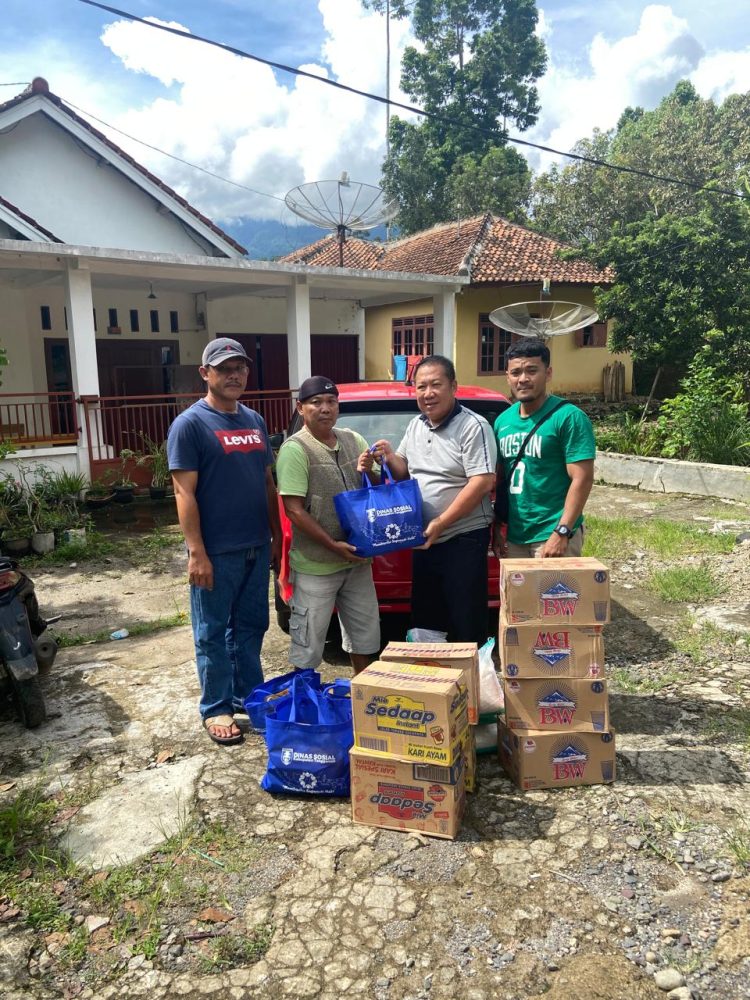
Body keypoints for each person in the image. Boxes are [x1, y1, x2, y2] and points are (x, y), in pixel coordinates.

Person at [167, 337, 281, 746]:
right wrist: (196, 552)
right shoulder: (191, 425)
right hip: (216, 551)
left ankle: (250, 698)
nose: (233, 375)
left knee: (252, 627)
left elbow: (268, 482)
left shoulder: (254, 420)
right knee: (212, 632)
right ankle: (216, 707)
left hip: (255, 544)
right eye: (224, 368)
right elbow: (184, 493)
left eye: (240, 368)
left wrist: (276, 536)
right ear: (206, 374)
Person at [370, 355, 497, 646]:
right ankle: (432, 682)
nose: (428, 393)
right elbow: (404, 471)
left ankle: (471, 680)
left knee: (466, 619)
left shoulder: (473, 426)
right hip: (425, 538)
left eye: (436, 385)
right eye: (421, 387)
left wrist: (441, 522)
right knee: (427, 619)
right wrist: (390, 456)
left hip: (462, 538)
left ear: (454, 387)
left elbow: (482, 481)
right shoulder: (416, 425)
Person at [275, 376, 380, 675]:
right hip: (316, 566)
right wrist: (333, 546)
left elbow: (375, 484)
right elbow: (293, 510)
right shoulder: (295, 449)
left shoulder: (353, 439)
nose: (325, 408)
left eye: (331, 402)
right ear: (301, 408)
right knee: (308, 645)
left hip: (357, 562)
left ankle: (364, 699)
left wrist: (372, 468)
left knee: (365, 638)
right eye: (316, 403)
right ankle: (306, 705)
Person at [492, 338, 595, 559]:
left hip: (552, 533)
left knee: (553, 594)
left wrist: (562, 531)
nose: (523, 379)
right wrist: (498, 526)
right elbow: (502, 477)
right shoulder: (502, 421)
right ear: (507, 376)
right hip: (516, 535)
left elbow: (583, 479)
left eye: (531, 371)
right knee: (518, 595)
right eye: (516, 372)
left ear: (548, 373)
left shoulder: (569, 417)